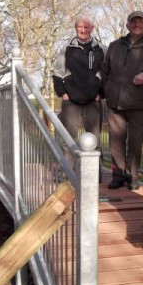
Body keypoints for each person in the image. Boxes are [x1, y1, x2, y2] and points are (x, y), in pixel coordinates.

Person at [101, 10, 143, 190]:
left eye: (140, 22)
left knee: (135, 142)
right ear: (127, 25)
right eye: (133, 22)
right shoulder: (115, 45)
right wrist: (107, 90)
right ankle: (118, 175)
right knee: (115, 142)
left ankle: (133, 176)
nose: (137, 25)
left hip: (138, 103)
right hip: (115, 103)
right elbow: (105, 71)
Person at [53, 14, 106, 177]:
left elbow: (106, 72)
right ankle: (67, 173)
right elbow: (57, 72)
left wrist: (100, 93)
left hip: (93, 100)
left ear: (92, 29)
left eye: (86, 27)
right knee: (69, 139)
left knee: (94, 138)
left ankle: (94, 173)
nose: (82, 30)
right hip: (71, 101)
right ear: (76, 29)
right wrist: (62, 93)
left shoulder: (102, 49)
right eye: (79, 27)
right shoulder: (67, 48)